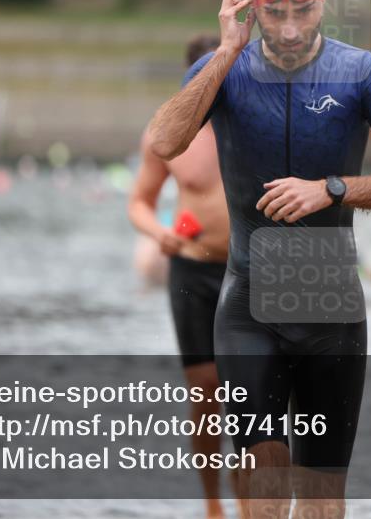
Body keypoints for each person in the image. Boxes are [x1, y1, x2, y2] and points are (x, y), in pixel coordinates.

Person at [146, 0, 371, 518]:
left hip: (332, 310)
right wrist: (228, 50)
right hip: (249, 310)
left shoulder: (362, 74)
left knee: (323, 501)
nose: (289, 26)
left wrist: (331, 189)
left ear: (322, 0)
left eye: (301, 8)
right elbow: (164, 141)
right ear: (253, 3)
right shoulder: (221, 70)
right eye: (274, 10)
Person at [128, 34, 234, 519]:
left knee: (255, 388)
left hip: (247, 269)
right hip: (191, 269)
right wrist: (159, 235)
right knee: (206, 391)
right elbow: (139, 202)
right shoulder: (168, 132)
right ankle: (213, 503)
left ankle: (251, 497)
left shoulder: (255, 122)